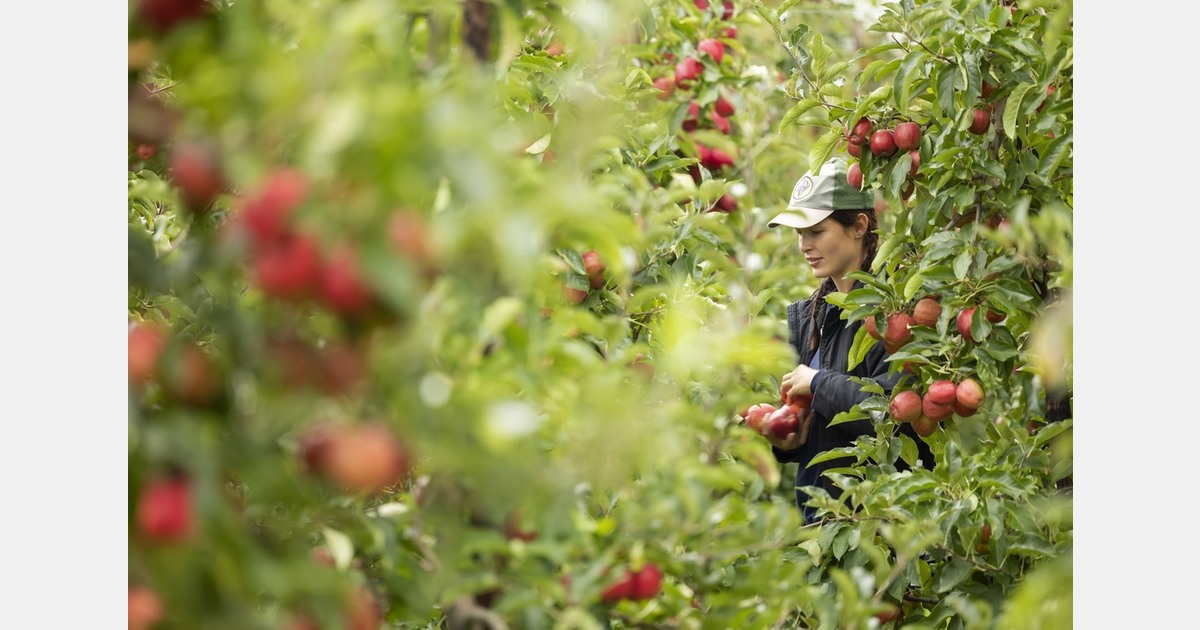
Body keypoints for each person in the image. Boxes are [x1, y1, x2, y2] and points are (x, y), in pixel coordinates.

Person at [764, 157, 933, 524]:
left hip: (887, 526)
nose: (804, 245)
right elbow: (825, 431)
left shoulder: (898, 313)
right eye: (799, 234)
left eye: (816, 231)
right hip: (824, 527)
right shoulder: (812, 317)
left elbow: (894, 414)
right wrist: (788, 440)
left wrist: (819, 382)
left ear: (858, 226)